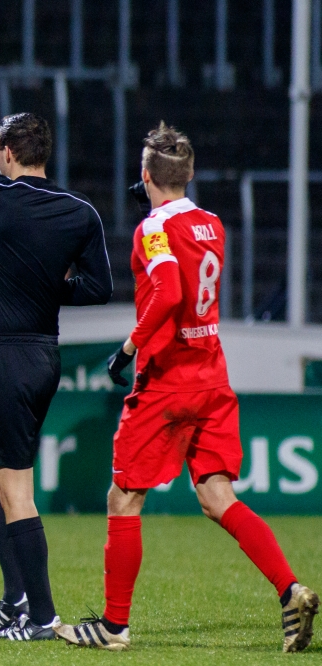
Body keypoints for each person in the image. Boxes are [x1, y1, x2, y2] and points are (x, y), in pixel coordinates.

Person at [55, 123, 319, 652]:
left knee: (124, 497)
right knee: (218, 497)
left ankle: (112, 626)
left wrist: (129, 347)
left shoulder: (152, 229)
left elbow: (171, 290)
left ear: (146, 174)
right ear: (191, 173)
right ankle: (290, 589)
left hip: (167, 381)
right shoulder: (213, 223)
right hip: (212, 377)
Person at [0, 50, 113, 640]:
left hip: (15, 357)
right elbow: (100, 287)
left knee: (15, 488)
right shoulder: (80, 213)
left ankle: (41, 618)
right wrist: (50, 284)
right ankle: (16, 597)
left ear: (9, 154)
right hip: (20, 355)